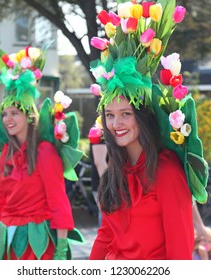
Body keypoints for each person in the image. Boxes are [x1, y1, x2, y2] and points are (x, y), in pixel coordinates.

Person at [87, 0, 209, 260]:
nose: (116, 124)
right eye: (110, 115)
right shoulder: (115, 169)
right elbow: (106, 235)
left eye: (125, 114)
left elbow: (180, 249)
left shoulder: (166, 171)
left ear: (142, 118)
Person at [0, 45, 84, 260]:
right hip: (9, 240)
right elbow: (0, 199)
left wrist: (61, 247)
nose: (7, 119)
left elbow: (58, 200)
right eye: (5, 114)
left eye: (14, 113)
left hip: (38, 242)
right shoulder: (7, 150)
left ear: (28, 115)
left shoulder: (44, 151)